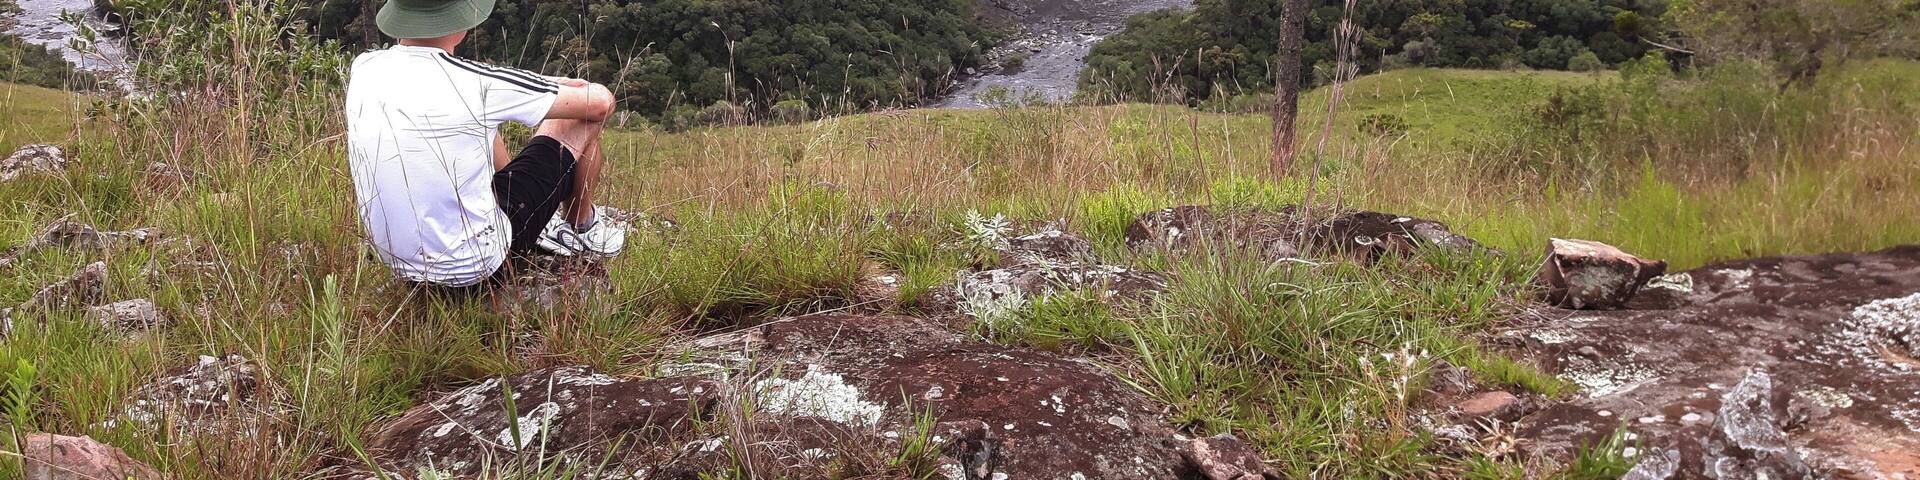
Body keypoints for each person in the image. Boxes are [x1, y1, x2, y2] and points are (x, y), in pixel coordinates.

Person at [345, 0, 626, 287]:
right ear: (461, 25)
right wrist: (569, 85)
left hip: (399, 264)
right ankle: (580, 226)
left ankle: (531, 210)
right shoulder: (476, 84)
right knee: (582, 120)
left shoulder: (365, 67)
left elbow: (466, 83)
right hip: (477, 268)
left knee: (480, 122)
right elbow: (601, 103)